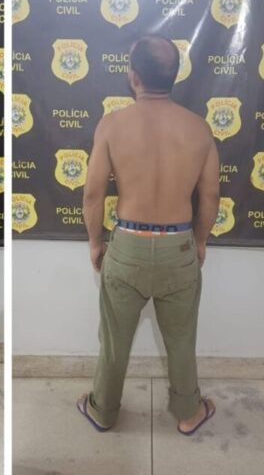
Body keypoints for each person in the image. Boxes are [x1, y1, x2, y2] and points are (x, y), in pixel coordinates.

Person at [78, 35, 220, 436]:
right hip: (179, 247)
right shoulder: (199, 129)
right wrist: (200, 241)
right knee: (181, 340)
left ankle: (103, 411)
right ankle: (189, 413)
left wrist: (96, 243)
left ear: (133, 77)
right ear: (174, 76)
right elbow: (211, 196)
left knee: (114, 341)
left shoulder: (112, 125)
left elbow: (92, 195)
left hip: (127, 245)